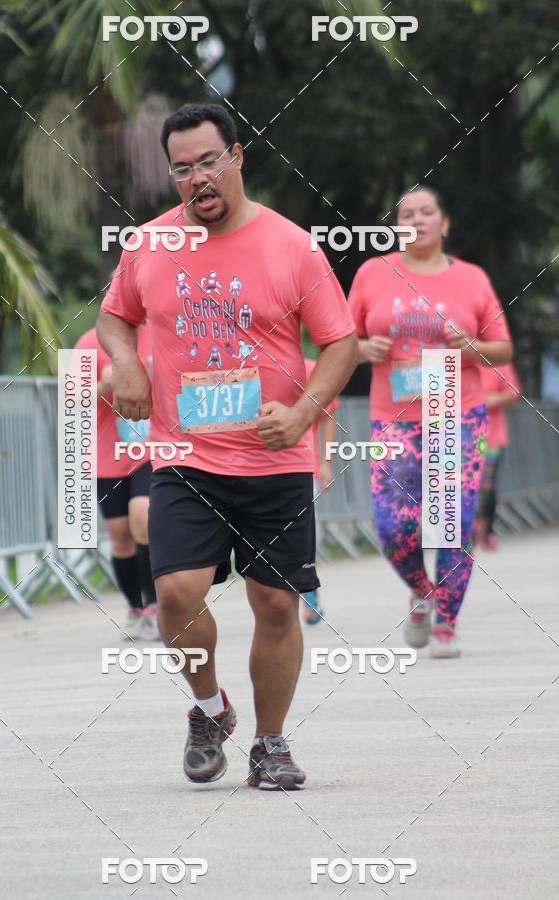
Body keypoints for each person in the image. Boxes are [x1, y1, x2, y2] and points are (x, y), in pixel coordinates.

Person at [96, 103, 358, 790]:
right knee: (177, 593)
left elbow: (342, 342)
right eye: (182, 168)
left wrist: (304, 413)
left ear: (237, 156)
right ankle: (208, 709)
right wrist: (124, 363)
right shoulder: (148, 244)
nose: (197, 178)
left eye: (208, 161)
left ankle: (270, 744)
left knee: (275, 605)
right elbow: (115, 318)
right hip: (186, 456)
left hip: (274, 459)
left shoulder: (292, 246)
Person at [348, 185, 512, 658]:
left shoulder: (472, 279)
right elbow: (341, 338)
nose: (416, 220)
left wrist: (470, 346)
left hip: (456, 411)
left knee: (452, 523)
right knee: (393, 528)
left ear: (445, 222)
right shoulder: (372, 274)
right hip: (393, 418)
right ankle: (422, 591)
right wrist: (362, 350)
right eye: (406, 214)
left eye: (426, 212)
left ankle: (446, 624)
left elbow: (501, 348)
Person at [74, 325, 159, 641]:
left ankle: (154, 607)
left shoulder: (160, 331)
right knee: (120, 535)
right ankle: (134, 608)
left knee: (144, 517)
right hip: (106, 452)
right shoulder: (88, 341)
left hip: (150, 449)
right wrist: (103, 385)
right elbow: (73, 400)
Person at [302, 356, 339, 625]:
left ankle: (309, 594)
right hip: (255, 467)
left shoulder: (311, 369)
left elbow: (329, 415)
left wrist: (325, 461)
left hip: (302, 465)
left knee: (301, 532)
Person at [474, 363, 521, 549]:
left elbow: (513, 392)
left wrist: (490, 399)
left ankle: (486, 529)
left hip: (491, 436)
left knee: (486, 484)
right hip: (458, 436)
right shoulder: (451, 356)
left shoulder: (497, 360)